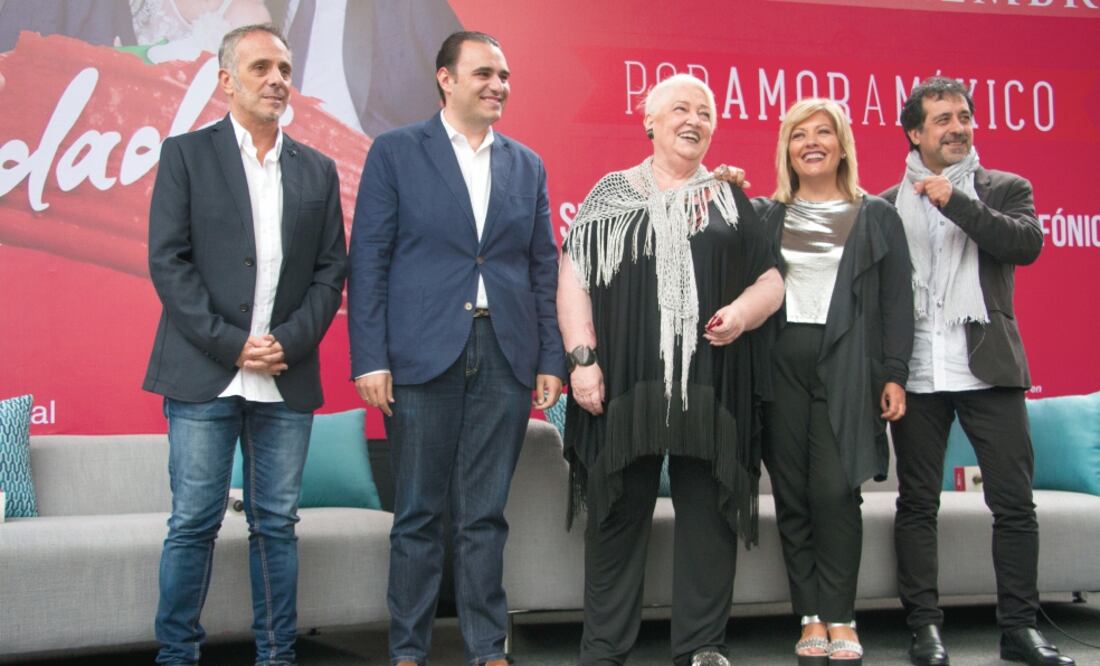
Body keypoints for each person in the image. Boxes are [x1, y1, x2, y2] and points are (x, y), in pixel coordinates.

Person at [347, 31, 564, 666]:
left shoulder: (527, 164)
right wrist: (370, 357)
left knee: (484, 515)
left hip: (504, 352)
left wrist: (550, 357)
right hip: (419, 354)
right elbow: (370, 259)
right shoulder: (394, 152)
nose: (499, 85)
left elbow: (541, 267)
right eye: (485, 73)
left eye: (505, 75)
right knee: (417, 512)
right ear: (445, 78)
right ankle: (408, 650)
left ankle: (486, 649)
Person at [558, 73, 784, 666]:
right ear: (649, 121)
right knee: (615, 516)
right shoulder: (609, 194)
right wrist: (582, 358)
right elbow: (574, 278)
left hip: (711, 385)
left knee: (709, 519)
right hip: (624, 386)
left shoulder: (730, 199)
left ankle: (701, 648)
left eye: (705, 112)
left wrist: (741, 312)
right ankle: (603, 650)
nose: (694, 120)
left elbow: (771, 280)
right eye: (680, 108)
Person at [143, 23, 347, 666]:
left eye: (284, 68)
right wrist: (233, 345)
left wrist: (286, 341)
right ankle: (177, 655)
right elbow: (168, 262)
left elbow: (329, 272)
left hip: (285, 376)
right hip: (205, 372)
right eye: (260, 67)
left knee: (277, 526)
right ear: (226, 80)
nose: (277, 79)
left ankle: (277, 655)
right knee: (193, 524)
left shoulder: (317, 168)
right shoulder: (185, 155)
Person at [883, 77, 1073, 666]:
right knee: (917, 504)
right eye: (941, 119)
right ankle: (925, 628)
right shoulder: (888, 203)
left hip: (988, 370)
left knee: (1014, 504)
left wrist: (955, 201)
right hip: (916, 372)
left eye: (963, 116)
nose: (957, 127)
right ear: (916, 132)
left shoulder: (1004, 188)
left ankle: (1019, 629)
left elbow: (1024, 245)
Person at [750, 98, 913, 666]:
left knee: (834, 490)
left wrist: (895, 374)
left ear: (842, 145)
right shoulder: (767, 215)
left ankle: (841, 614)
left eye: (824, 132)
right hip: (779, 364)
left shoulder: (876, 214)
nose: (811, 142)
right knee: (793, 494)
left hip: (849, 366)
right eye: (799, 135)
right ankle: (810, 615)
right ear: (787, 149)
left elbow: (896, 302)